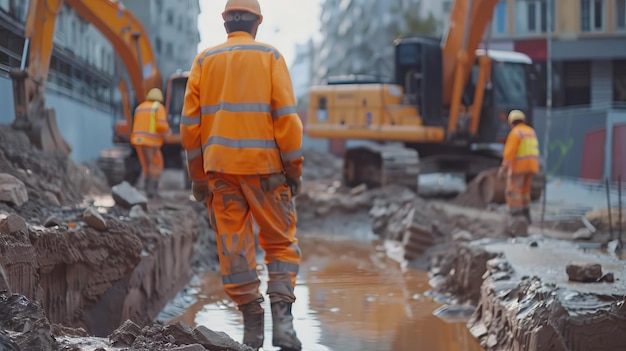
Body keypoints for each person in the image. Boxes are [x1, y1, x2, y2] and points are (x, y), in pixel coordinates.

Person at [179, 1, 304, 350]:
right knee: (279, 242)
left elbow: (190, 128)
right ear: (257, 23)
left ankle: (252, 324)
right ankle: (283, 326)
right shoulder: (271, 57)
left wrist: (198, 177)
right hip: (267, 172)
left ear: (224, 23)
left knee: (234, 244)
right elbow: (287, 120)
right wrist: (294, 169)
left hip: (221, 173)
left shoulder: (204, 61)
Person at [498, 109, 540, 223]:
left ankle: (516, 215)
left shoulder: (515, 133)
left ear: (511, 122)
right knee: (525, 191)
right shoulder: (531, 131)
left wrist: (504, 168)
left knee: (514, 191)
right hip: (532, 166)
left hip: (519, 167)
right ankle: (526, 213)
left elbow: (509, 152)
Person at [130, 87, 171, 198]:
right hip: (151, 142)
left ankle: (147, 190)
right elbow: (161, 125)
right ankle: (152, 191)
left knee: (146, 166)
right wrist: (168, 132)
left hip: (137, 141)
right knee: (156, 164)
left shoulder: (140, 107)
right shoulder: (158, 107)